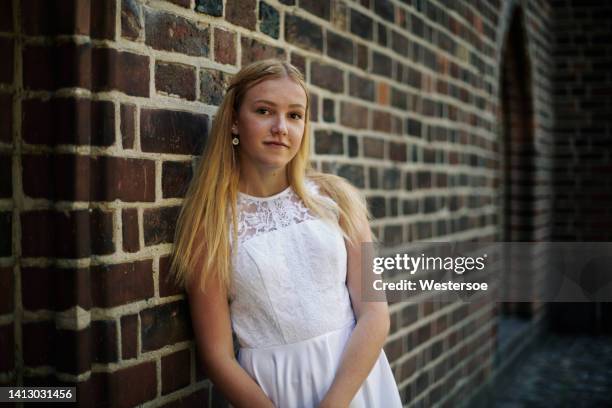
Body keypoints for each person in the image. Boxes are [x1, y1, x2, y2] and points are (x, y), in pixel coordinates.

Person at [170, 59, 402, 408]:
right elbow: (217, 356)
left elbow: (375, 313)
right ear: (234, 120)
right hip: (275, 392)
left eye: (295, 115)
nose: (281, 127)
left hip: (357, 381)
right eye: (264, 111)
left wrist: (334, 403)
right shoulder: (212, 226)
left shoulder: (338, 199)